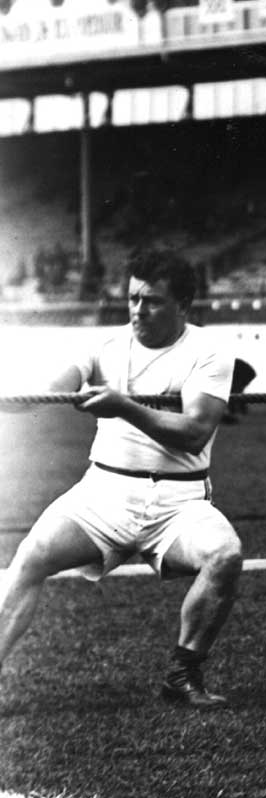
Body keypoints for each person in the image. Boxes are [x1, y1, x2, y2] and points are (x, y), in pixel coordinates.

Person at [0, 250, 244, 708]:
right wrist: (16, 396)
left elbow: (193, 434)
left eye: (151, 301)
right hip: (103, 493)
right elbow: (53, 388)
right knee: (30, 558)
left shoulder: (208, 352)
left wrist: (124, 405)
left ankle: (182, 674)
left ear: (183, 305)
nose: (137, 310)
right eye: (132, 298)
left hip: (179, 501)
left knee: (225, 555)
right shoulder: (104, 346)